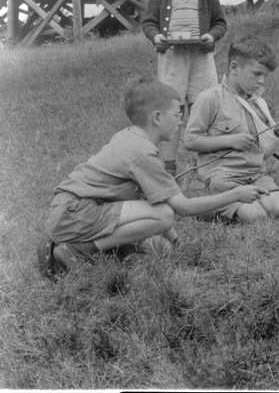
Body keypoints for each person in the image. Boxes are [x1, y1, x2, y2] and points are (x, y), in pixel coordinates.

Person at [37, 76, 267, 277]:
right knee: (164, 216)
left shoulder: (132, 137)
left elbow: (153, 199)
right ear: (157, 117)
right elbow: (181, 208)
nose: (181, 121)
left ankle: (108, 249)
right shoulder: (143, 153)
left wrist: (177, 245)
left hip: (73, 210)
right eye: (177, 114)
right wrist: (236, 194)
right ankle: (77, 251)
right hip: (75, 213)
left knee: (161, 248)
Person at [181, 36, 279, 223]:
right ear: (235, 68)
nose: (262, 82)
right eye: (257, 74)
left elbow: (264, 153)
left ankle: (244, 204)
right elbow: (190, 141)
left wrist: (277, 133)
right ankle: (206, 203)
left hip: (255, 175)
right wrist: (230, 140)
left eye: (265, 76)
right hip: (223, 177)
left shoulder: (258, 103)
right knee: (256, 217)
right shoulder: (210, 98)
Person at [140, 0, 228, 174]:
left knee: (205, 106)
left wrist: (212, 36)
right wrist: (156, 36)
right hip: (172, 59)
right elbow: (149, 23)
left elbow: (220, 23)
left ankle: (210, 166)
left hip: (201, 58)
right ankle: (169, 167)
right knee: (172, 109)